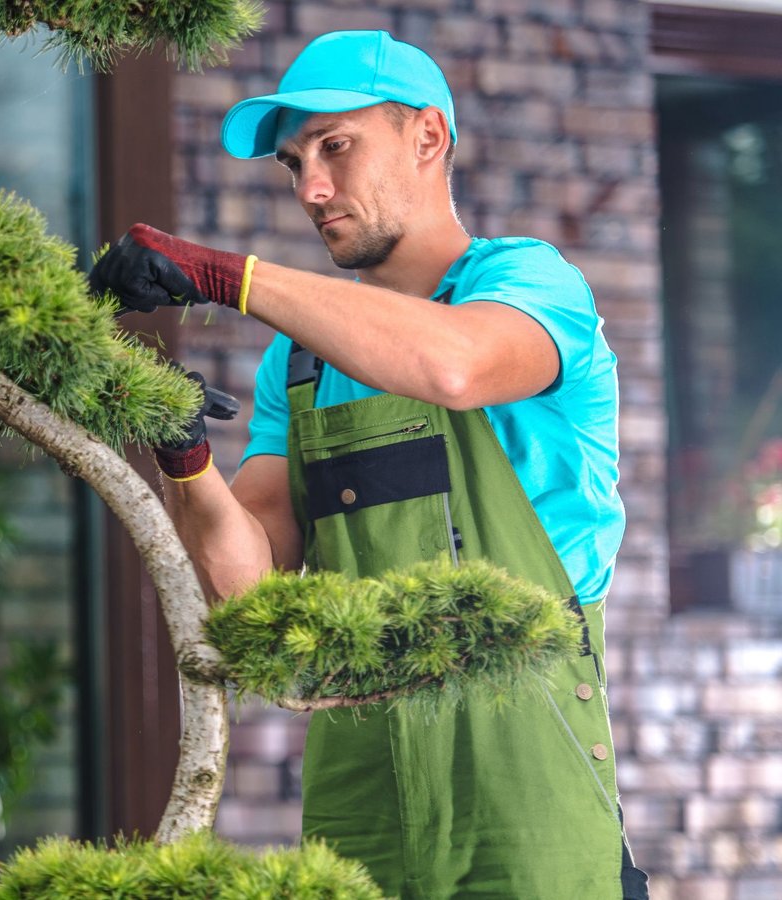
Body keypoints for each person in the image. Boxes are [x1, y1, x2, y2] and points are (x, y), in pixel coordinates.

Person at [90, 30, 650, 900]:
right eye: (293, 163)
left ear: (428, 137)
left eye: (335, 147)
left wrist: (220, 274)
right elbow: (254, 590)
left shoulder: (530, 285)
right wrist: (183, 451)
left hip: (523, 763)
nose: (311, 189)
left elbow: (451, 367)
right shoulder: (301, 361)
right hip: (361, 775)